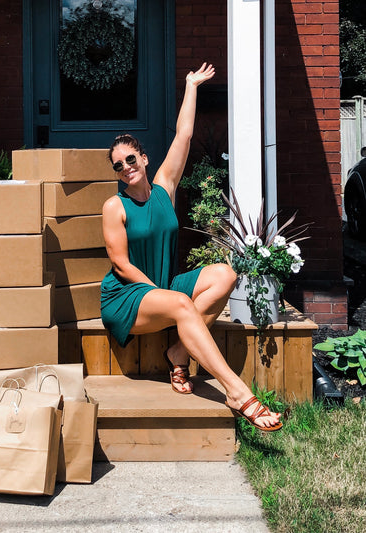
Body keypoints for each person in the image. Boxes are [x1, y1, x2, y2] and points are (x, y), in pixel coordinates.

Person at [100, 63, 282, 432]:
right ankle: (238, 393)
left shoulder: (164, 187)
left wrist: (191, 85)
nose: (126, 167)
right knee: (181, 303)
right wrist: (161, 293)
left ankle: (178, 353)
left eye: (130, 159)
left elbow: (183, 135)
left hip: (164, 290)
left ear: (144, 159)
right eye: (118, 166)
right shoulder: (114, 206)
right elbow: (120, 265)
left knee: (226, 275)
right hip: (127, 298)